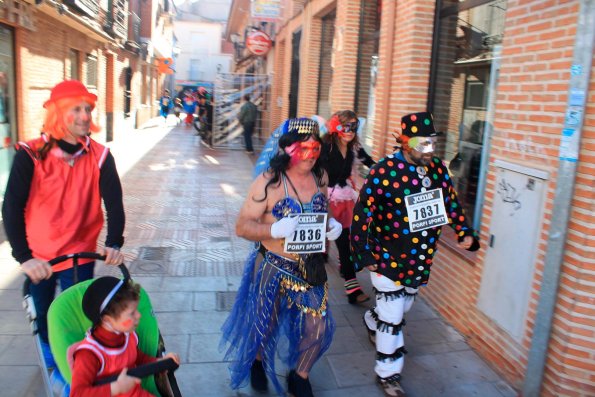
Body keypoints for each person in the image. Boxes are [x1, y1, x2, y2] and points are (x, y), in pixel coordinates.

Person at [1, 80, 125, 382]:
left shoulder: (100, 156)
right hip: (40, 257)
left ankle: (78, 364)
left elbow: (115, 204)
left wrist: (113, 242)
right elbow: (11, 208)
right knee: (43, 313)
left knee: (78, 315)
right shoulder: (31, 154)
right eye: (76, 109)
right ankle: (52, 359)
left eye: (88, 109)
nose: (85, 116)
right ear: (58, 113)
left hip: (79, 254)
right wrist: (24, 257)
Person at [350, 111, 480, 397]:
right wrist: (363, 253)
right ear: (407, 142)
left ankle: (374, 319)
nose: (430, 149)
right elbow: (362, 213)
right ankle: (388, 374)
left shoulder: (436, 170)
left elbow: (450, 202)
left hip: (419, 258)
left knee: (401, 307)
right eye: (424, 144)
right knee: (394, 317)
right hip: (387, 255)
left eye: (433, 143)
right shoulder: (384, 170)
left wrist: (464, 231)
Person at [220, 118, 342, 397]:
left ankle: (299, 375)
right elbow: (242, 226)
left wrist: (330, 225)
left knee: (318, 328)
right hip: (273, 265)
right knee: (265, 325)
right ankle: (258, 361)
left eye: (315, 149)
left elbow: (323, 214)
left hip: (310, 269)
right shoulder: (268, 183)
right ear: (288, 149)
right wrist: (273, 228)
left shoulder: (320, 177)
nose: (311, 156)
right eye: (304, 149)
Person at [70, 276, 180, 396]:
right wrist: (115, 388)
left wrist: (160, 362)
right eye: (132, 313)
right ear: (108, 320)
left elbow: (138, 358)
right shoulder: (89, 354)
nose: (138, 315)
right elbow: (77, 393)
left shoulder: (128, 335)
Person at [320, 110, 375, 304]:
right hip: (326, 197)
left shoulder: (354, 147)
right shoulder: (325, 147)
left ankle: (347, 273)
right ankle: (352, 287)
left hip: (346, 197)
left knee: (348, 238)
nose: (350, 131)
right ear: (336, 127)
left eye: (354, 126)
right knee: (341, 239)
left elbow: (371, 164)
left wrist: (387, 174)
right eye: (346, 126)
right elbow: (317, 174)